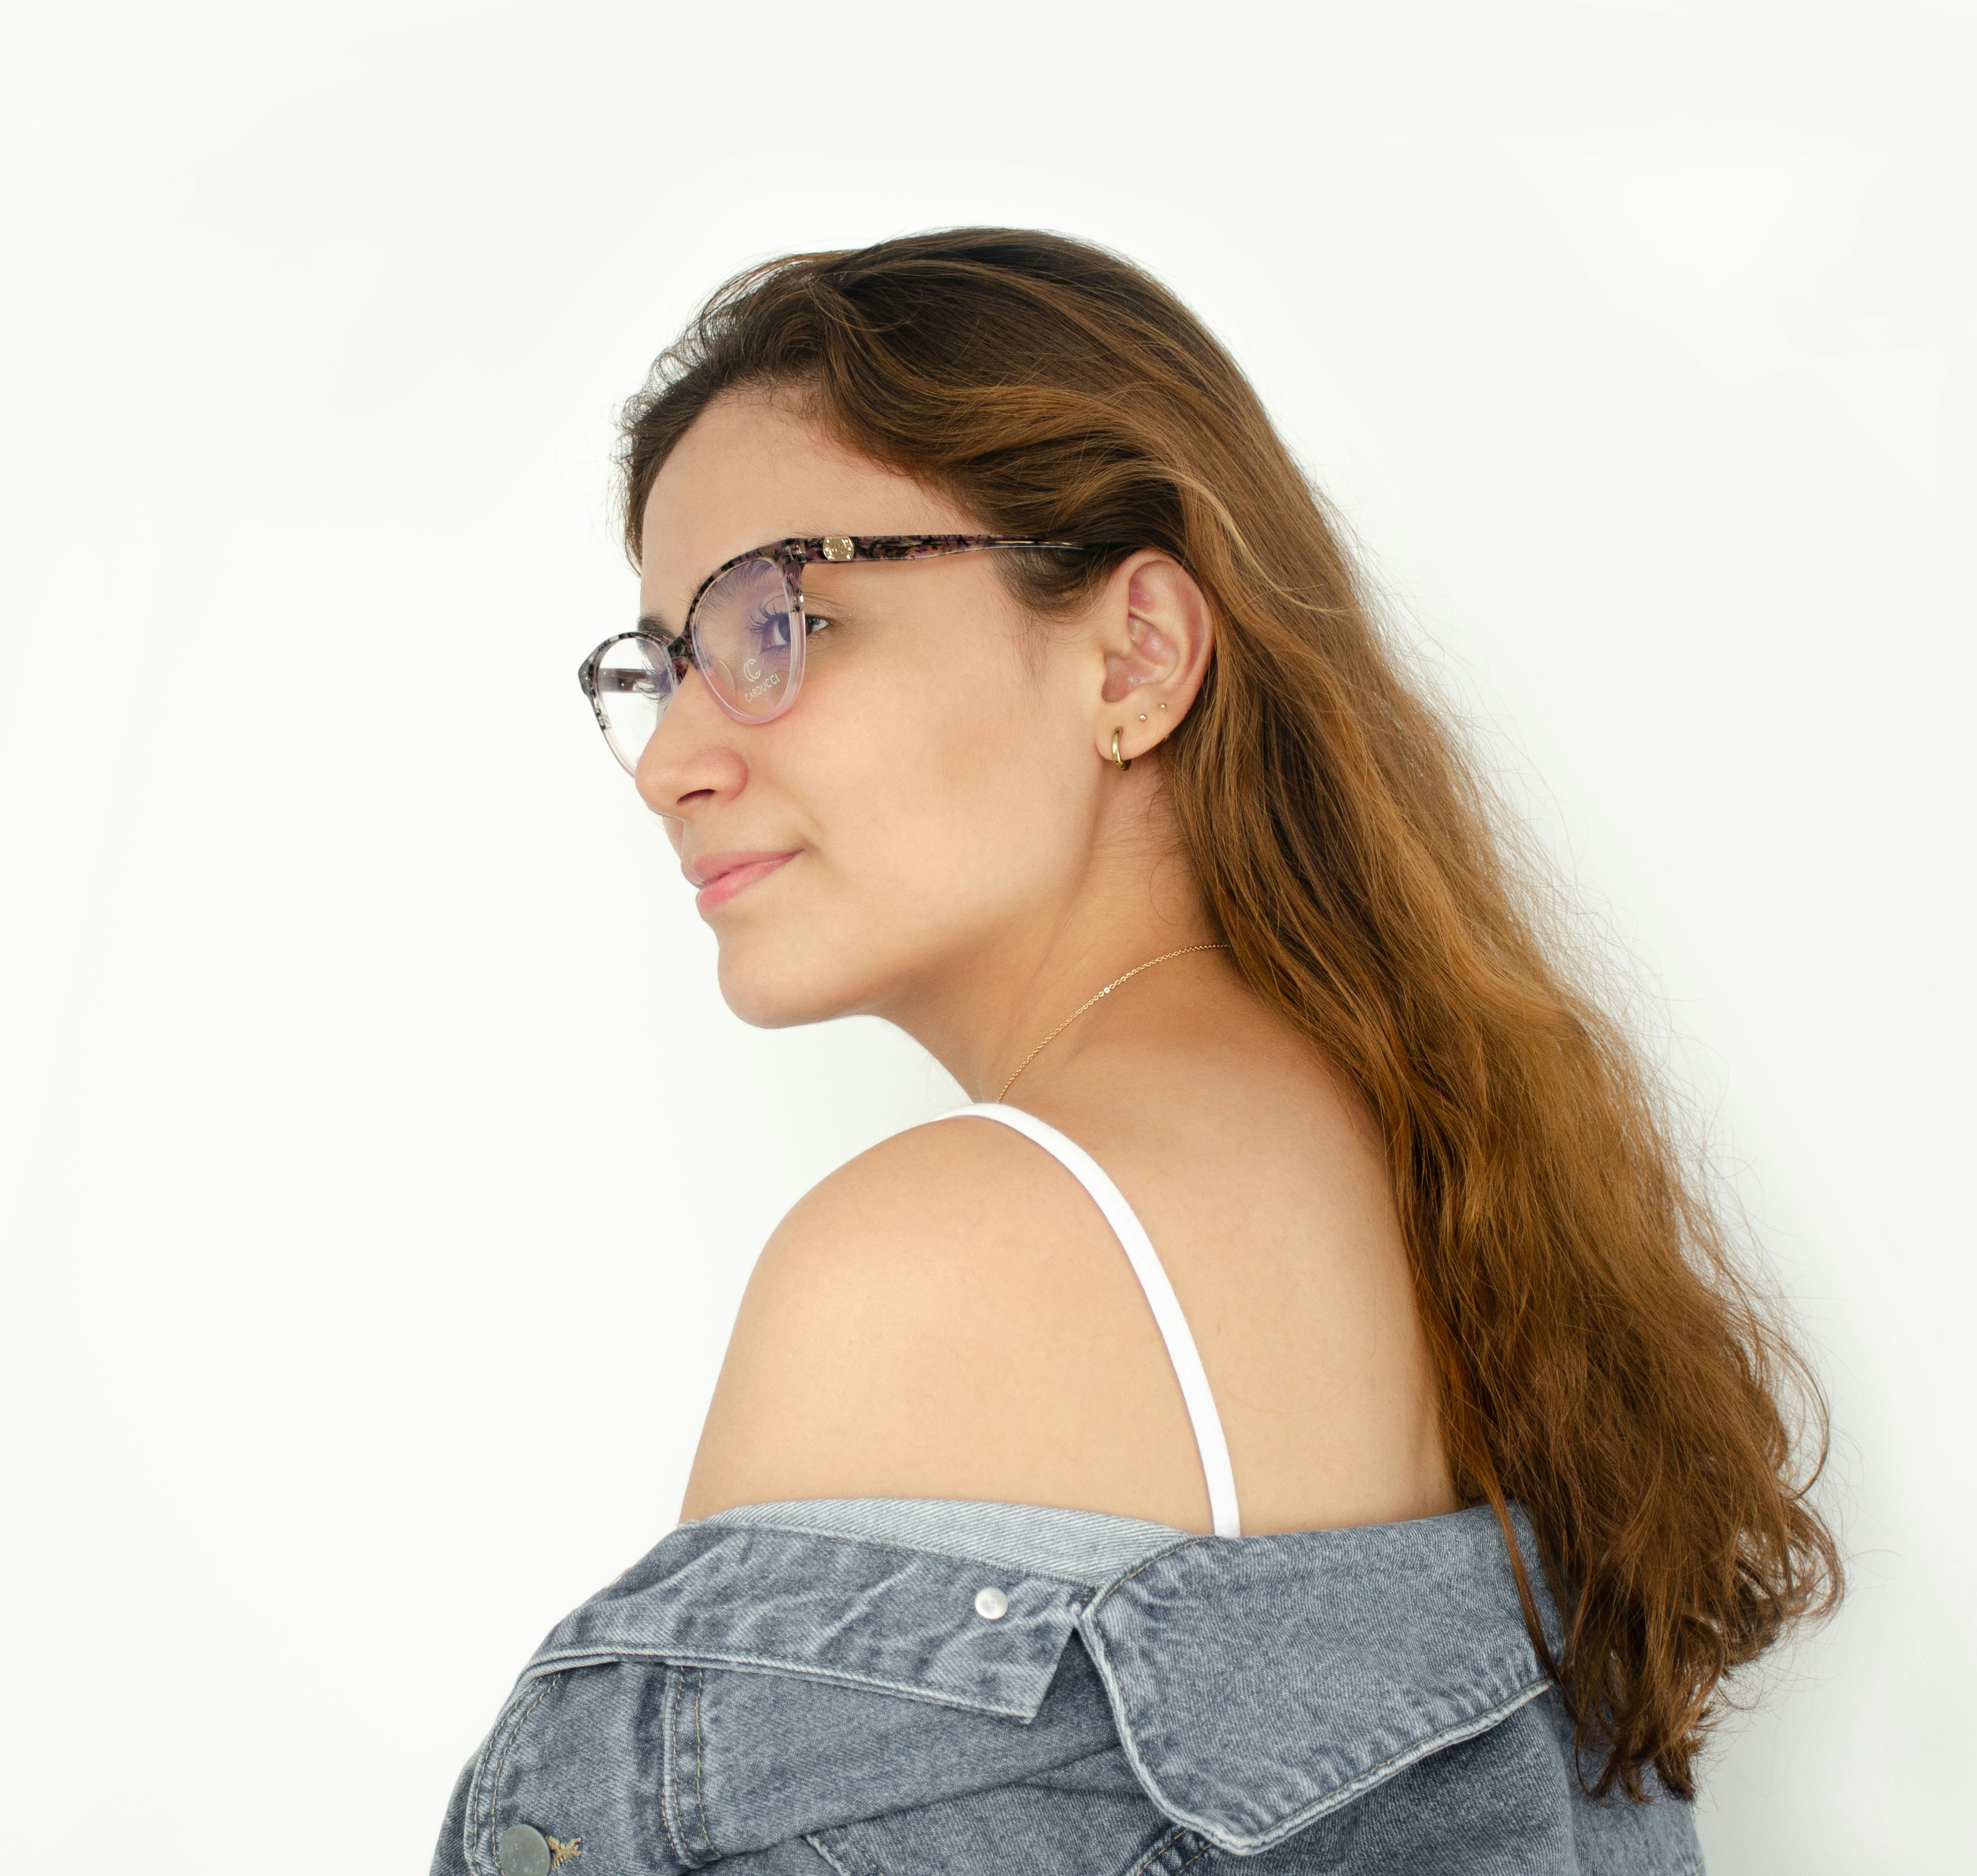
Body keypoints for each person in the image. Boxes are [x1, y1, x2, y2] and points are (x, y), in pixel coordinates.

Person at [435, 229, 1838, 1876]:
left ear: (1136, 652)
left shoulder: (957, 1251)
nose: (671, 755)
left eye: (775, 620)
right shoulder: (1447, 1202)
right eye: (664, 663)